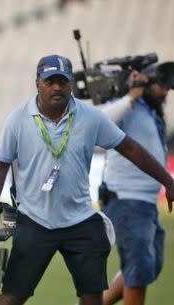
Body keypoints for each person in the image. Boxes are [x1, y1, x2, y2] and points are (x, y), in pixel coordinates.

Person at [0, 54, 174, 305]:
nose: (57, 87)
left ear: (71, 83)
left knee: (92, 298)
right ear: (37, 82)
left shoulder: (90, 116)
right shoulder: (17, 119)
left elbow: (130, 149)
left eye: (63, 81)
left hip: (80, 220)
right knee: (12, 297)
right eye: (50, 81)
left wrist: (167, 181)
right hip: (34, 219)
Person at [100, 63, 174, 305]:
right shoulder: (127, 106)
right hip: (125, 200)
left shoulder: (151, 110)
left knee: (149, 265)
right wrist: (130, 97)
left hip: (145, 202)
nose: (165, 92)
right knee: (138, 270)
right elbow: (99, 123)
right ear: (145, 83)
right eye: (160, 86)